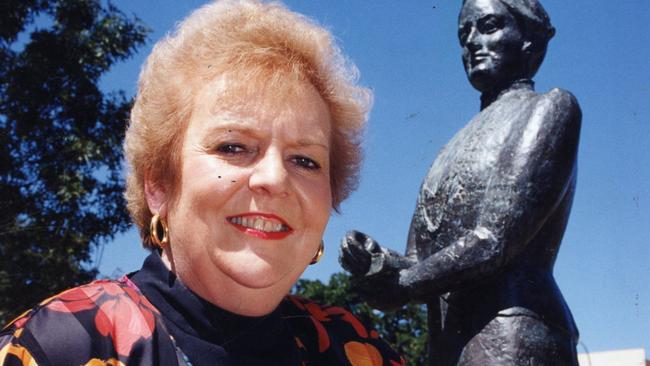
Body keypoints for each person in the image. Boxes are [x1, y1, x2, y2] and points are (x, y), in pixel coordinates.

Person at [0, 1, 405, 365]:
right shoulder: (59, 346)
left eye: (305, 160)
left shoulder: (357, 352)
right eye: (233, 147)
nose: (275, 179)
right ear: (158, 185)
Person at [341, 0, 581, 364]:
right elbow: (418, 261)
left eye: (488, 25)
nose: (471, 41)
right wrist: (376, 265)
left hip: (513, 335)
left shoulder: (549, 108)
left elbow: (495, 240)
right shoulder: (448, 149)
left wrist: (402, 285)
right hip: (446, 348)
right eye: (463, 34)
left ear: (529, 38)